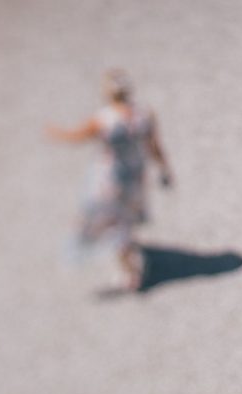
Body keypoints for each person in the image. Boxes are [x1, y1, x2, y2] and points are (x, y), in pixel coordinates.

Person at [47, 69, 173, 290]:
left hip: (111, 178)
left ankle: (131, 272)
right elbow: (155, 146)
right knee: (125, 219)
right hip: (135, 175)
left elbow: (76, 136)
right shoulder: (144, 113)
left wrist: (55, 132)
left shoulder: (104, 119)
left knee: (111, 223)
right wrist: (164, 169)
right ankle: (128, 257)